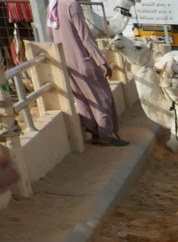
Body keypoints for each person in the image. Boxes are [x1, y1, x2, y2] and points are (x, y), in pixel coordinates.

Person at [49, 0, 125, 147]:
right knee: (102, 97)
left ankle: (95, 133)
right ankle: (105, 136)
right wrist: (101, 60)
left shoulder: (51, 7)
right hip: (82, 59)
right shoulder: (72, 5)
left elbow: (50, 35)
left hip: (67, 61)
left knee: (83, 99)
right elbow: (85, 36)